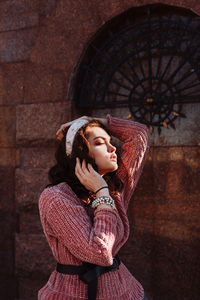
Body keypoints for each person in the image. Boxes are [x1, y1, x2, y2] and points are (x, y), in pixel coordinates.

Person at [38, 114, 150, 300]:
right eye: (99, 143)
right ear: (79, 153)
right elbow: (100, 253)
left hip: (124, 290)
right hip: (72, 293)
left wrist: (93, 120)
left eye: (110, 141)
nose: (112, 147)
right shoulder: (56, 198)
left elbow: (139, 135)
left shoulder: (114, 186)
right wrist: (102, 194)